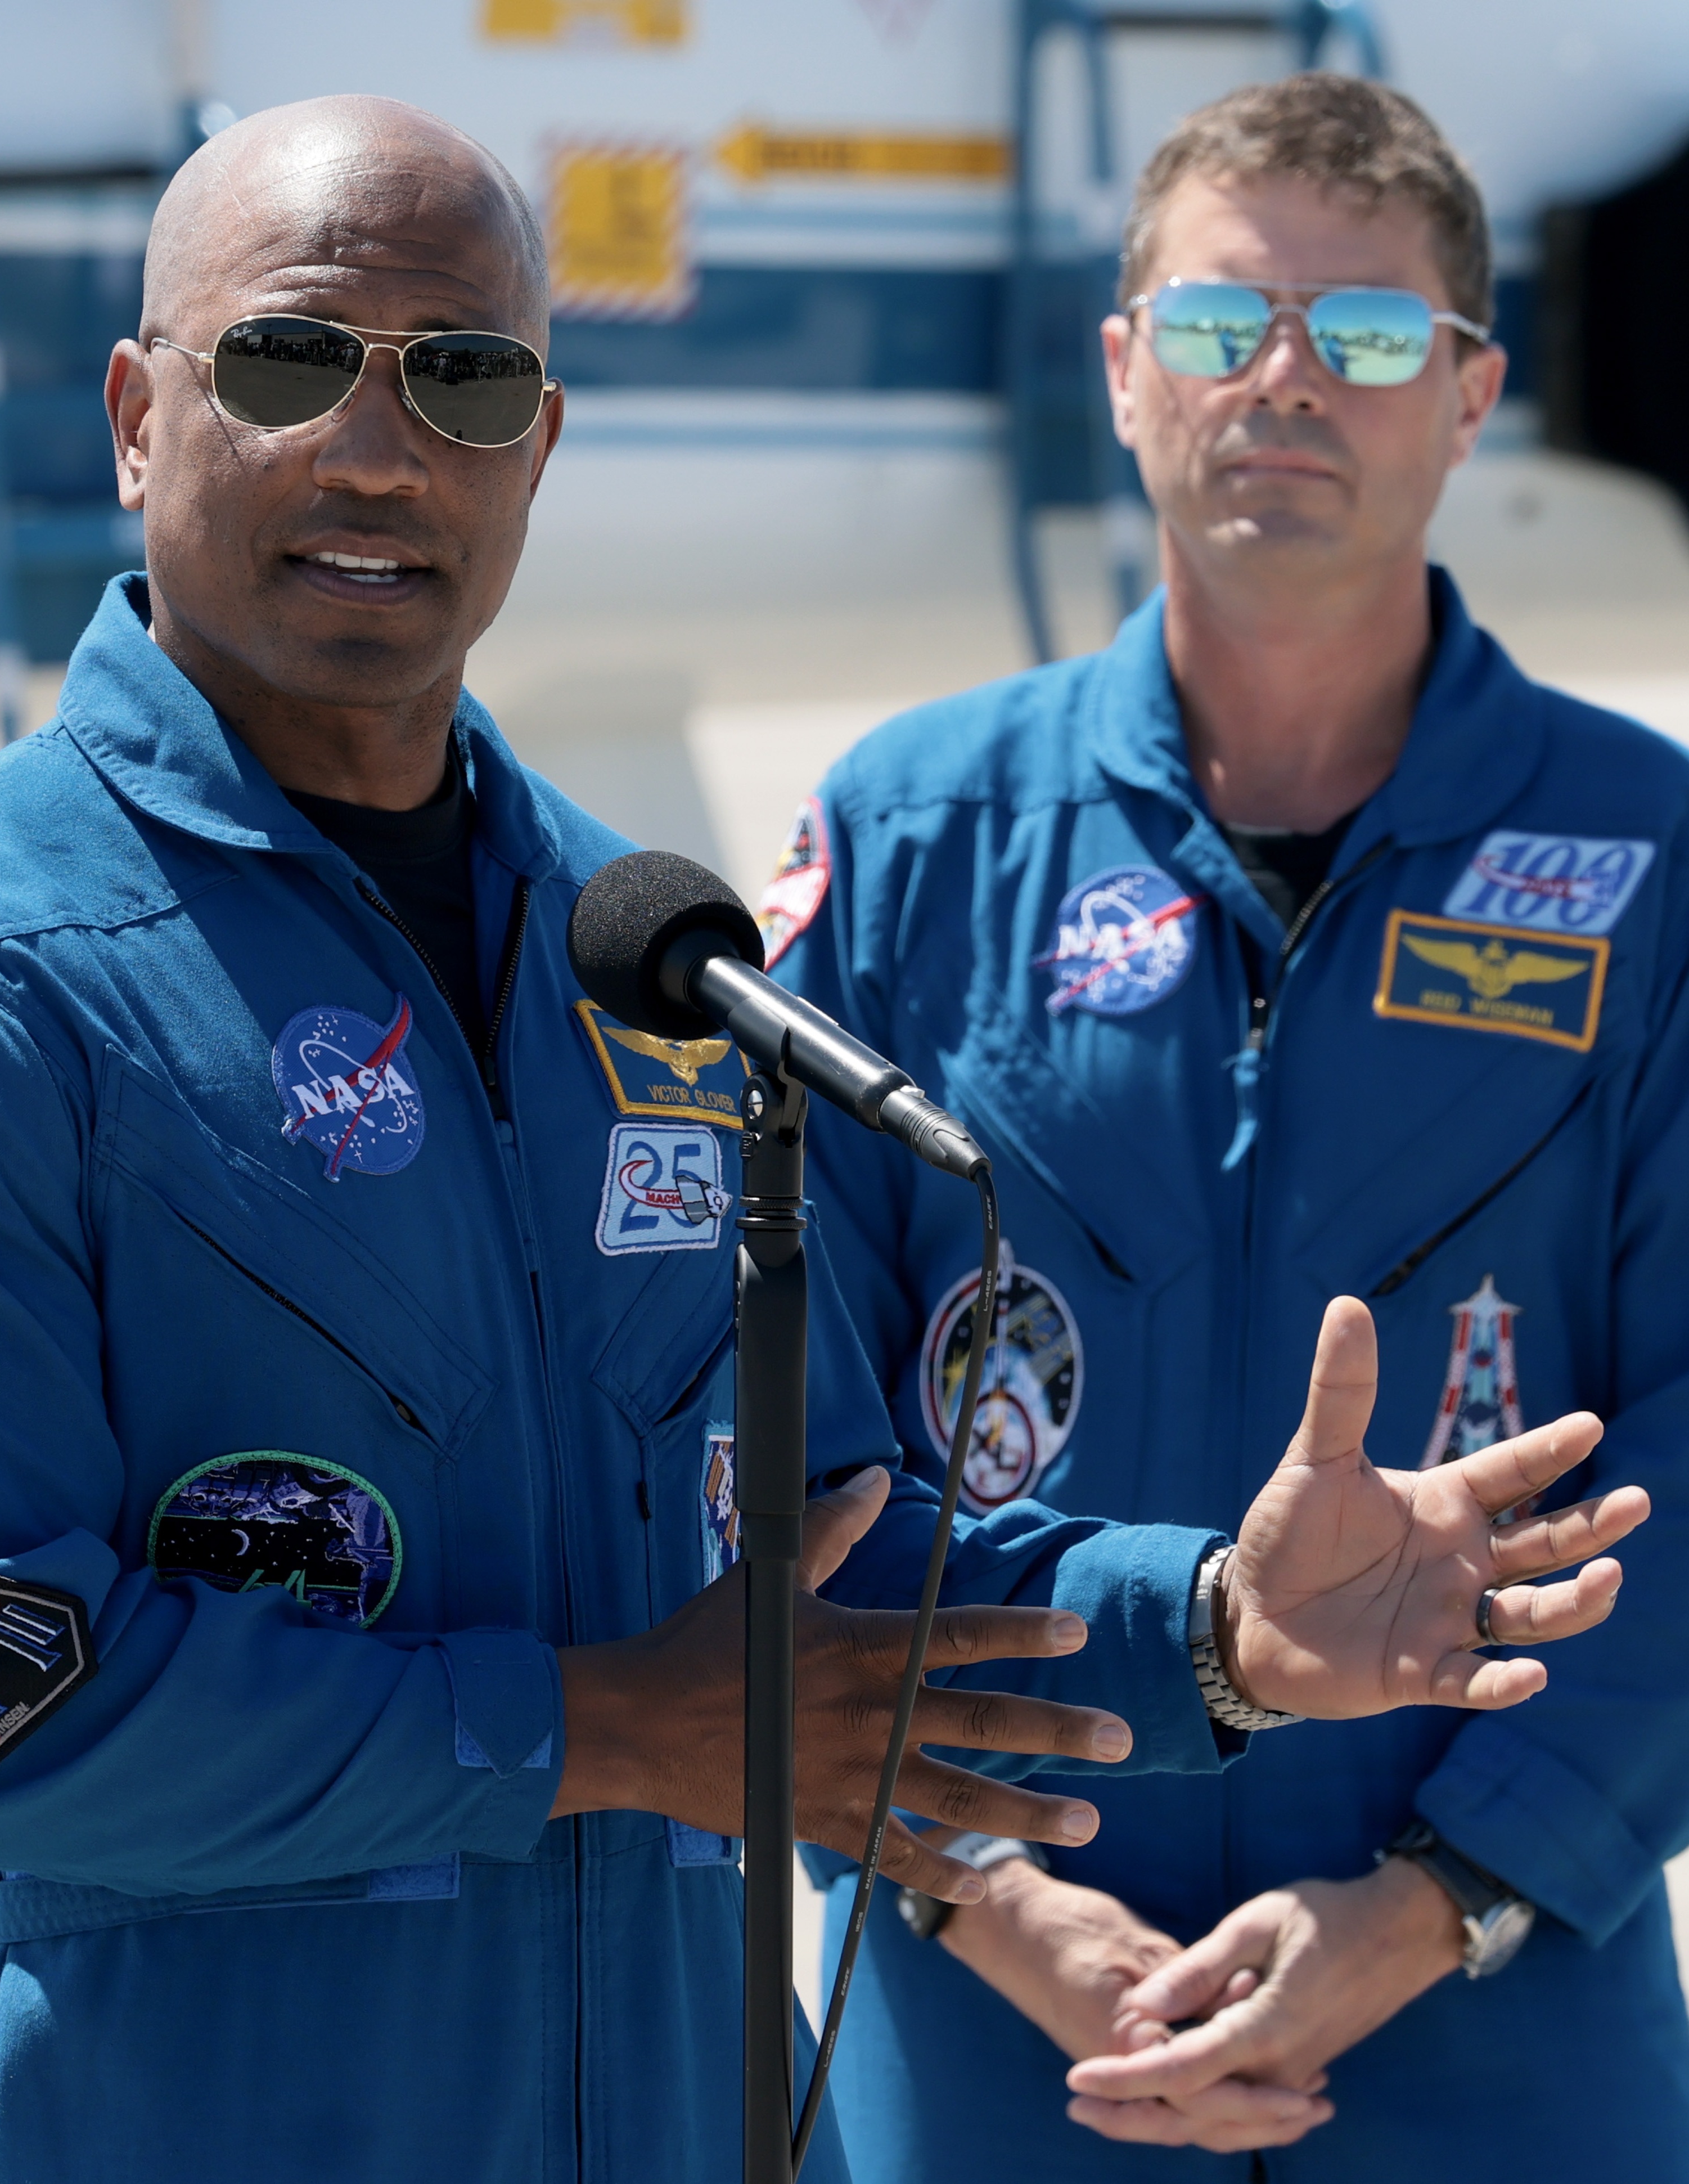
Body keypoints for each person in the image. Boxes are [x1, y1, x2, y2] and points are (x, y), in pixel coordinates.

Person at [0, 96, 1639, 2182]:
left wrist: (1217, 1632)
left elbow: (800, 1560)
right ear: (134, 417)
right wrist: (597, 1731)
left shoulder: (648, 964)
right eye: (286, 363)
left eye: (462, 379)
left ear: (539, 451)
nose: (374, 449)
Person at [769, 73, 1689, 2180]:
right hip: (986, 2020)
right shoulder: (913, 843)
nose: (1283, 382)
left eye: (1366, 336)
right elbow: (778, 1434)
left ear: (1469, 399)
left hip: (1497, 2006)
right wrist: (979, 1892)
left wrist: (1433, 1903)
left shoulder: (1648, 861)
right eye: (1215, 326)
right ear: (1121, 372)